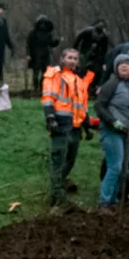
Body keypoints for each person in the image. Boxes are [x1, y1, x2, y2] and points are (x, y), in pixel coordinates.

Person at [43, 48, 94, 212]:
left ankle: (58, 189)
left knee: (70, 160)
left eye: (75, 58)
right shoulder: (55, 74)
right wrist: (50, 117)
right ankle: (57, 197)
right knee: (58, 160)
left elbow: (82, 106)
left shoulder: (79, 80)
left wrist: (87, 127)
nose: (72, 61)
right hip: (60, 123)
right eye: (69, 58)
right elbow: (48, 97)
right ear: (62, 59)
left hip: (75, 127)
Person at [94, 54, 129, 211]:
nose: (124, 66)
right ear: (116, 67)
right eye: (121, 64)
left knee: (124, 167)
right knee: (115, 166)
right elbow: (99, 106)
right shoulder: (111, 84)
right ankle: (104, 202)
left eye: (128, 63)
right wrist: (112, 121)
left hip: (127, 131)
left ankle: (115, 200)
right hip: (111, 130)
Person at [73, 20, 111, 94]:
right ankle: (78, 86)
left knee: (93, 71)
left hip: (96, 55)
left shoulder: (104, 36)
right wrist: (74, 50)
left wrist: (102, 60)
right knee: (81, 69)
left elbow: (104, 50)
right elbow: (78, 39)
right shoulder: (87, 31)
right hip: (84, 52)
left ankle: (88, 88)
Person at [25, 15, 59, 93]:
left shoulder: (48, 33)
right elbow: (28, 44)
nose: (42, 25)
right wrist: (28, 54)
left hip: (45, 54)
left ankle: (41, 86)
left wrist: (56, 42)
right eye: (41, 23)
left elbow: (51, 44)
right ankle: (36, 87)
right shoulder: (33, 33)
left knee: (45, 72)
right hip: (35, 54)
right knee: (36, 72)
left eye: (44, 23)